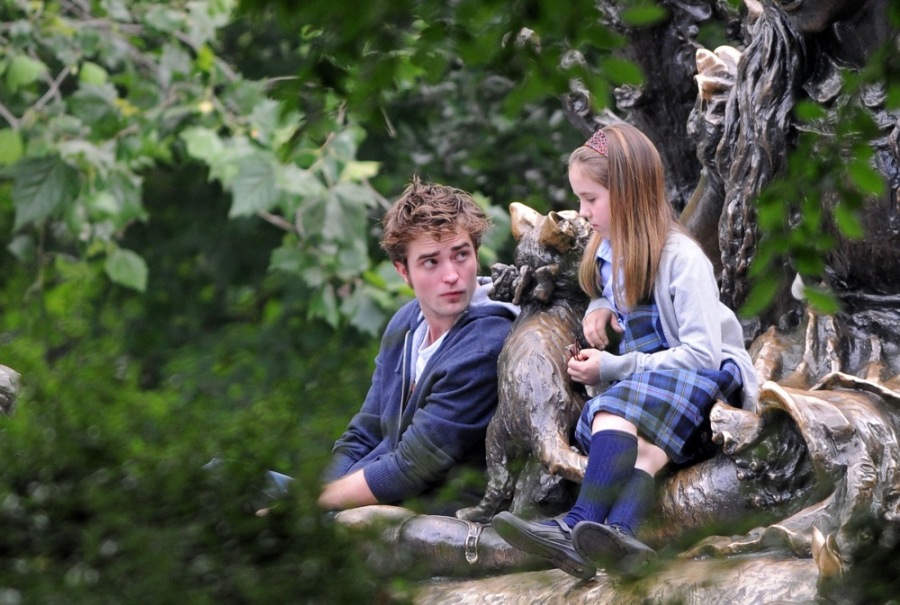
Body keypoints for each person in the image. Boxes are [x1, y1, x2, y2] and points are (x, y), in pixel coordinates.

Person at [492, 123, 759, 579]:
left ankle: (576, 523)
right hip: (661, 382)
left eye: (590, 199)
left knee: (610, 411)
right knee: (644, 455)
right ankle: (622, 539)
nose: (583, 212)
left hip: (708, 376)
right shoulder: (607, 252)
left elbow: (702, 354)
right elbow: (611, 293)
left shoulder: (682, 259)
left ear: (630, 194)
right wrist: (599, 307)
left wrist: (614, 367)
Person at [317, 177, 518, 515]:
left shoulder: (486, 344)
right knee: (233, 479)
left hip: (444, 513)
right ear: (403, 271)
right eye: (431, 262)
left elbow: (411, 468)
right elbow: (363, 435)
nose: (451, 275)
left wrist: (311, 506)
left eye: (461, 255)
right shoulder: (406, 323)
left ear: (476, 254)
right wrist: (313, 498)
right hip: (376, 494)